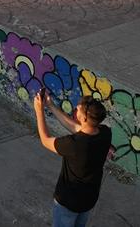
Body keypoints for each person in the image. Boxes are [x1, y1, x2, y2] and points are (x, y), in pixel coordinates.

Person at [33, 90, 113, 227]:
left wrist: (39, 111)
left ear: (84, 118)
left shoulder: (73, 144)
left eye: (79, 109)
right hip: (88, 199)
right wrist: (50, 105)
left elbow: (45, 140)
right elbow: (77, 128)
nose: (76, 109)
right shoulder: (105, 133)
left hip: (68, 202)